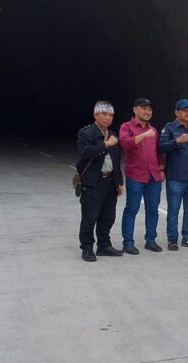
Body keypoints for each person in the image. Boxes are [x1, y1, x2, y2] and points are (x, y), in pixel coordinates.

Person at [76, 101, 124, 262]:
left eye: (111, 115)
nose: (108, 118)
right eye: (104, 114)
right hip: (92, 182)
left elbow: (116, 160)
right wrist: (105, 144)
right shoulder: (86, 133)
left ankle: (104, 245)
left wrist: (119, 181)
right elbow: (85, 153)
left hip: (110, 181)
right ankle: (87, 247)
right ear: (96, 115)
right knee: (90, 216)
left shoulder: (112, 134)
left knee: (108, 216)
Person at [118, 98, 163, 255]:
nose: (147, 112)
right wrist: (144, 135)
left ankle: (150, 240)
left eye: (150, 109)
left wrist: (161, 168)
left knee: (153, 209)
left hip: (154, 176)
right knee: (132, 208)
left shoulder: (153, 130)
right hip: (136, 175)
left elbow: (157, 152)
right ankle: (128, 242)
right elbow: (124, 144)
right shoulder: (126, 126)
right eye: (144, 108)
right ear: (135, 109)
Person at [159, 99, 188, 251]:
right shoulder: (169, 128)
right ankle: (172, 239)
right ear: (176, 112)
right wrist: (176, 141)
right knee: (173, 210)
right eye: (184, 110)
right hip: (175, 177)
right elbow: (161, 147)